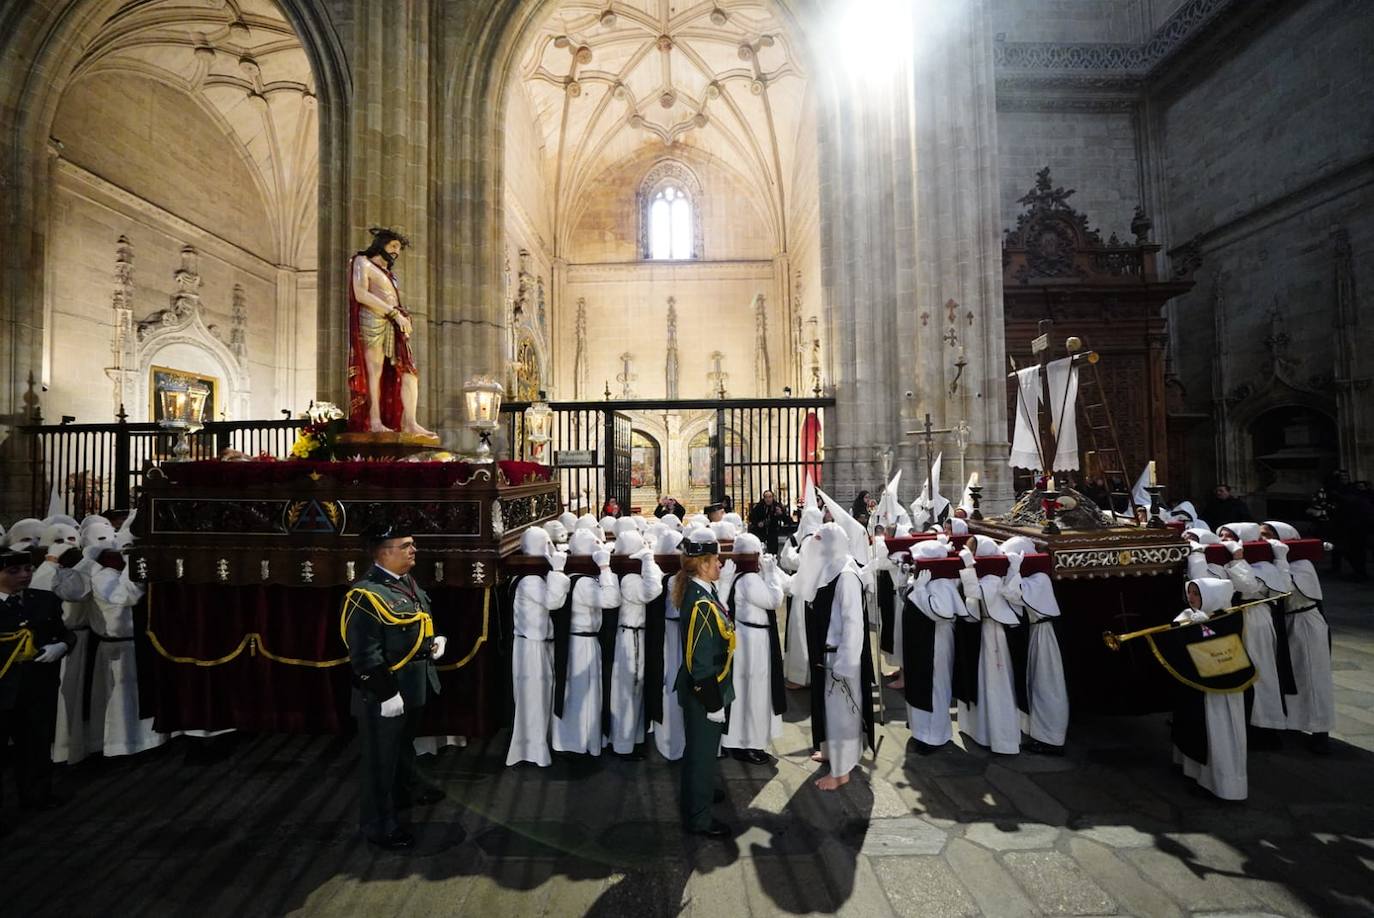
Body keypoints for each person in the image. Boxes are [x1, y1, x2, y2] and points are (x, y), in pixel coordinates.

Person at [341, 522, 447, 850]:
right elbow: (364, 654)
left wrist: (432, 642)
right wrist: (386, 693)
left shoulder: (404, 583)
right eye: (407, 545)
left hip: (413, 686)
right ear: (384, 552)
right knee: (379, 763)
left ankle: (403, 795)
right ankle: (379, 825)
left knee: (402, 750)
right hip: (384, 694)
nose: (414, 551)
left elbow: (414, 622)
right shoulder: (365, 595)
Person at [0, 547, 74, 817]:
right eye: (13, 571)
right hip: (3, 688)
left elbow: (65, 634)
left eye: (28, 569)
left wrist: (62, 647)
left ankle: (37, 796)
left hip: (36, 688)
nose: (24, 575)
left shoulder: (44, 600)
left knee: (35, 745)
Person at [674, 529, 735, 838]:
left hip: (711, 685)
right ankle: (698, 817)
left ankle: (701, 792)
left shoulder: (703, 591)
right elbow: (700, 664)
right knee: (700, 754)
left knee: (703, 751)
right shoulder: (700, 604)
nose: (720, 566)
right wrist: (713, 703)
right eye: (716, 561)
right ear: (702, 564)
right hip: (705, 691)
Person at [347, 227, 435, 437]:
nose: (396, 252)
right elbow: (360, 293)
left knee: (409, 372)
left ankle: (410, 422)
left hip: (394, 322)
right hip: (373, 319)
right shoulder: (362, 262)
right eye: (393, 246)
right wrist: (392, 313)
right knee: (374, 371)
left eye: (399, 248)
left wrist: (400, 317)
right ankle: (374, 420)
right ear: (381, 244)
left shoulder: (390, 275)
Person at [1261, 520, 1335, 753]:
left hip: (1305, 624)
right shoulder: (1271, 561)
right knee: (1291, 674)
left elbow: (1289, 592)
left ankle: (1320, 729)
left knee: (1312, 677)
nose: (1263, 540)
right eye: (1260, 535)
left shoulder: (1301, 563)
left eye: (1268, 535)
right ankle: (1294, 721)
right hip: (1286, 623)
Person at [86, 541, 166, 757]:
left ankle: (144, 743)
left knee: (136, 697)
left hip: (135, 644)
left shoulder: (118, 574)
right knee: (120, 702)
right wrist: (134, 562)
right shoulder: (105, 577)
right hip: (117, 648)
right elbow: (126, 596)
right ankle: (121, 746)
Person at [1172, 577, 1248, 801]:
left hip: (1221, 692)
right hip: (1198, 686)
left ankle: (1224, 785)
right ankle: (1195, 773)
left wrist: (1204, 627)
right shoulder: (1188, 616)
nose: (1191, 598)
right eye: (1190, 593)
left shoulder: (1229, 617)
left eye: (1197, 594)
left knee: (1219, 735)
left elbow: (1225, 646)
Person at [1214, 522, 1285, 746]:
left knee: (1260, 670)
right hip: (1234, 618)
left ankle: (1264, 726)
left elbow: (1247, 586)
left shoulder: (1264, 565)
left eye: (1229, 536)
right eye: (1222, 536)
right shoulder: (1223, 559)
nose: (1224, 540)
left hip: (1255, 619)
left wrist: (1238, 558)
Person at [505, 527, 571, 768]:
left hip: (538, 645)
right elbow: (553, 601)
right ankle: (533, 750)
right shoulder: (530, 580)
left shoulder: (531, 576)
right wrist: (559, 569)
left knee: (542, 698)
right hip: (530, 647)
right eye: (547, 545)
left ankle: (542, 743)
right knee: (533, 700)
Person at [813, 523, 871, 790]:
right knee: (831, 712)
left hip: (840, 657)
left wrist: (846, 664)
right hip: (829, 654)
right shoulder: (833, 568)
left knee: (842, 715)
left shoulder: (847, 575)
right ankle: (831, 753)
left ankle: (842, 770)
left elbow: (853, 623)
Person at [721, 533, 787, 766]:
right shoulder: (749, 579)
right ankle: (745, 742)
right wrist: (770, 574)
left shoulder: (747, 576)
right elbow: (774, 600)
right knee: (752, 692)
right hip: (752, 641)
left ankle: (746, 740)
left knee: (752, 691)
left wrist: (772, 572)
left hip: (753, 637)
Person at [1000, 535, 1069, 755]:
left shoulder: (1040, 579)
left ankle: (1052, 739)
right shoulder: (1032, 577)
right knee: (1037, 685)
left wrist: (1014, 569)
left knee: (1048, 687)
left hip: (1047, 635)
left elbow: (1011, 593)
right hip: (1038, 632)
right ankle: (1041, 733)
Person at [552, 529, 618, 756]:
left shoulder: (575, 578)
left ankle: (576, 741)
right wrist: (605, 568)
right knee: (583, 694)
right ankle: (579, 742)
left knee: (578, 692)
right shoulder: (584, 583)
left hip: (579, 642)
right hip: (583, 644)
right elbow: (611, 600)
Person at [953, 536, 1021, 755]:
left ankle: (1002, 739)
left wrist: (969, 567)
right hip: (983, 634)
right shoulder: (987, 576)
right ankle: (981, 731)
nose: (971, 555)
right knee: (982, 683)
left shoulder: (992, 577)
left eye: (974, 552)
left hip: (994, 636)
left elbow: (976, 594)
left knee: (995, 685)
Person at [900, 539, 961, 753]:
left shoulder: (942, 583)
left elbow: (941, 613)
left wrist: (921, 591)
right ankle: (920, 730)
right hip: (919, 641)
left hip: (935, 642)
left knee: (934, 687)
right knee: (919, 683)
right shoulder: (923, 579)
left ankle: (934, 736)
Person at [607, 530, 664, 759]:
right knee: (627, 691)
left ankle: (634, 738)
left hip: (634, 636)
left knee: (635, 689)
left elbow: (655, 578)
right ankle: (623, 744)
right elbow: (653, 589)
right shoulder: (630, 579)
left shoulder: (631, 574)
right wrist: (649, 558)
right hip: (629, 638)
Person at [651, 529, 687, 761]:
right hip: (670, 636)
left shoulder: (672, 576)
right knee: (670, 683)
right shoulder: (670, 578)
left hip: (678, 635)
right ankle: (670, 739)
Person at [779, 506, 823, 688]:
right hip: (817, 590)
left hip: (804, 590)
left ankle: (801, 677)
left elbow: (797, 562)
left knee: (801, 631)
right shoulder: (821, 537)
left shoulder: (808, 539)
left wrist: (789, 553)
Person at [748, 490, 791, 555]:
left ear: (773, 497)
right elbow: (751, 517)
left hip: (772, 534)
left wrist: (781, 514)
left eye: (770, 497)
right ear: (764, 498)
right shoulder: (759, 506)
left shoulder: (777, 506)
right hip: (761, 533)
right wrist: (757, 523)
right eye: (766, 497)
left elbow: (788, 521)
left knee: (773, 555)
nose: (768, 499)